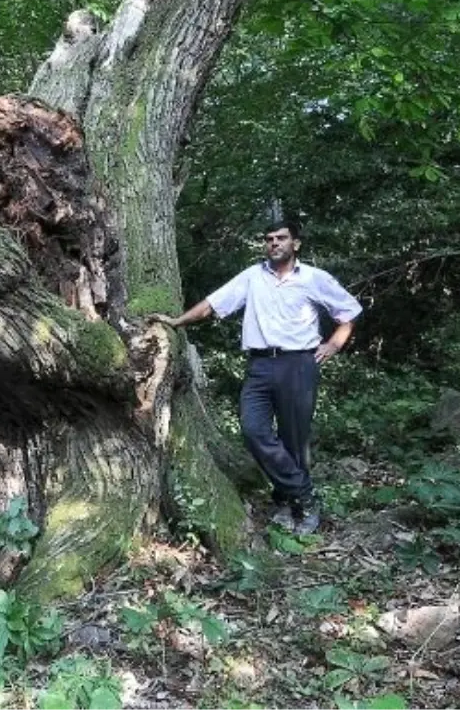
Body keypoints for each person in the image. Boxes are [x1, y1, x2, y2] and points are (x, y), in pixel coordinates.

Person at [153, 219, 361, 534]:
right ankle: (304, 495)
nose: (274, 243)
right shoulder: (252, 277)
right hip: (260, 366)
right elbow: (213, 303)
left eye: (281, 238)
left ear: (296, 244)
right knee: (253, 430)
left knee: (294, 439)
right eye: (269, 239)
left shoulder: (314, 278)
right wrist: (176, 321)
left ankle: (291, 504)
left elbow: (349, 312)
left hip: (299, 365)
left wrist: (334, 343)